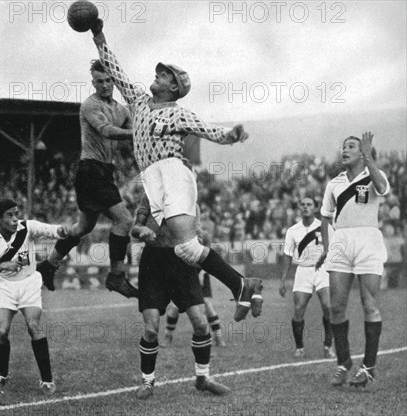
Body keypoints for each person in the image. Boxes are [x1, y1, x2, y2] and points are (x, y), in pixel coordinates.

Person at [88, 19, 262, 321]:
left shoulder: (179, 113)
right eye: (159, 72)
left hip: (172, 172)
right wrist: (98, 35)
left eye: (164, 74)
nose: (157, 75)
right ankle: (244, 285)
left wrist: (231, 135)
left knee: (186, 245)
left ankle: (243, 285)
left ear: (174, 87)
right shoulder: (139, 102)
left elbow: (207, 129)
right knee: (186, 250)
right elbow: (115, 70)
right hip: (151, 178)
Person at [37, 59, 138, 299]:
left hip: (102, 171)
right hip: (91, 170)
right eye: (99, 81)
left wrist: (142, 126)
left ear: (113, 81)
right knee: (124, 220)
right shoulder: (89, 106)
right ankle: (116, 277)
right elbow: (106, 131)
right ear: (93, 82)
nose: (104, 85)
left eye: (107, 81)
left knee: (84, 227)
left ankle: (49, 264)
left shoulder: (121, 109)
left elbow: (134, 125)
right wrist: (135, 133)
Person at [131, 192, 229, 399]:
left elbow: (200, 233)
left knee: (201, 324)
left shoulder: (189, 201)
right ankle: (148, 381)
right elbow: (134, 229)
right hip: (153, 263)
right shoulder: (150, 196)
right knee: (151, 329)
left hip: (182, 261)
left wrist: (204, 241)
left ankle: (203, 378)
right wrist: (142, 230)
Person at [316, 132, 390, 388]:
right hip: (341, 242)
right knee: (336, 307)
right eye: (343, 146)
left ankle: (368, 367)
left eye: (351, 146)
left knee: (369, 304)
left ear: (362, 152)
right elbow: (325, 217)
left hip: (368, 239)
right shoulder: (334, 183)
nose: (344, 150)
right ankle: (344, 362)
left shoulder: (374, 175)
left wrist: (369, 157)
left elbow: (382, 189)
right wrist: (327, 248)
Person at [0, 198, 70, 395]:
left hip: (29, 283)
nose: (15, 219)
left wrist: (64, 230)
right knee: (2, 331)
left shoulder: (27, 228)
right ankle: (2, 374)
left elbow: (53, 230)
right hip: (3, 286)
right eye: (9, 215)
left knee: (33, 326)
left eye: (16, 213)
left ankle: (46, 380)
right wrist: (2, 266)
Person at [279, 197, 335, 359]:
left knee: (328, 306)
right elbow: (287, 255)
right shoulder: (293, 231)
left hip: (322, 270)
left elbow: (332, 249)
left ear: (316, 208)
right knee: (298, 309)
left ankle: (328, 346)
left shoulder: (324, 226)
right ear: (299, 208)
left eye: (309, 204)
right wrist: (283, 280)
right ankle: (299, 347)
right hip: (303, 271)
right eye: (303, 205)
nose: (305, 207)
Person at [164, 272, 226, 348]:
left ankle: (218, 337)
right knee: (174, 306)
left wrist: (202, 272)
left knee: (206, 304)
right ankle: (168, 336)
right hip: (182, 274)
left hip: (200, 271)